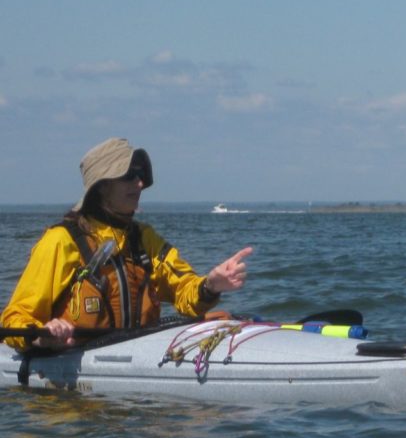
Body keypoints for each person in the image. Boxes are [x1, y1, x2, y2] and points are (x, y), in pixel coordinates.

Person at [1, 138, 253, 352]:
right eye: (129, 176)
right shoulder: (60, 241)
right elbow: (14, 317)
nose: (140, 183)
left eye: (141, 175)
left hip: (135, 370)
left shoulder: (145, 238)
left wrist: (211, 285)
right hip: (70, 392)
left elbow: (185, 293)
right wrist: (43, 334)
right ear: (102, 187)